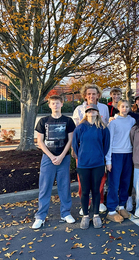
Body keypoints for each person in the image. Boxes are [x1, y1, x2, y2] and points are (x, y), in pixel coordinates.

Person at [32, 95, 76, 229]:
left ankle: (65, 213)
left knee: (64, 186)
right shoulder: (43, 121)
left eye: (57, 103)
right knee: (45, 187)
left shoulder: (68, 121)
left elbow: (70, 140)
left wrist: (62, 156)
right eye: (53, 103)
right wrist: (51, 157)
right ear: (49, 105)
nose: (55, 105)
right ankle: (41, 216)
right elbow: (40, 142)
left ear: (62, 104)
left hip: (64, 157)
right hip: (48, 158)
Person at [73, 83, 109, 214]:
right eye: (89, 94)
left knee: (100, 178)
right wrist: (76, 152)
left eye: (94, 93)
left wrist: (103, 153)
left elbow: (106, 128)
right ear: (85, 95)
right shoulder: (78, 109)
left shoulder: (104, 108)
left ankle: (98, 202)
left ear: (98, 95)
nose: (91, 96)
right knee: (83, 180)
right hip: (83, 151)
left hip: (98, 149)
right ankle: (86, 204)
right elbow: (75, 132)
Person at [105, 100, 136, 223]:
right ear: (118, 108)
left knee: (125, 182)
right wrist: (108, 160)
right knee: (114, 183)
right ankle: (111, 210)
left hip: (128, 154)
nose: (125, 108)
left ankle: (121, 206)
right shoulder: (113, 122)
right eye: (122, 106)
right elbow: (109, 142)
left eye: (127, 107)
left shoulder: (132, 121)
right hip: (116, 154)